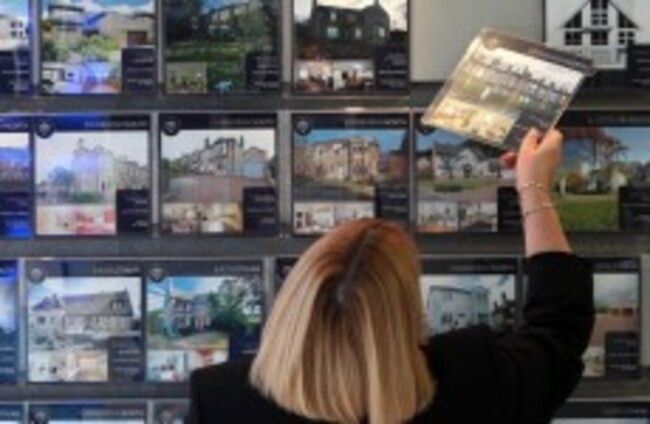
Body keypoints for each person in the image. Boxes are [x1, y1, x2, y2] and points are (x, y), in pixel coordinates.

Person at [189, 129, 594, 424]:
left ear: (293, 303)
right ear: (405, 308)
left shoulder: (222, 399)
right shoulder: (472, 378)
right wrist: (533, 187)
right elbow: (559, 326)